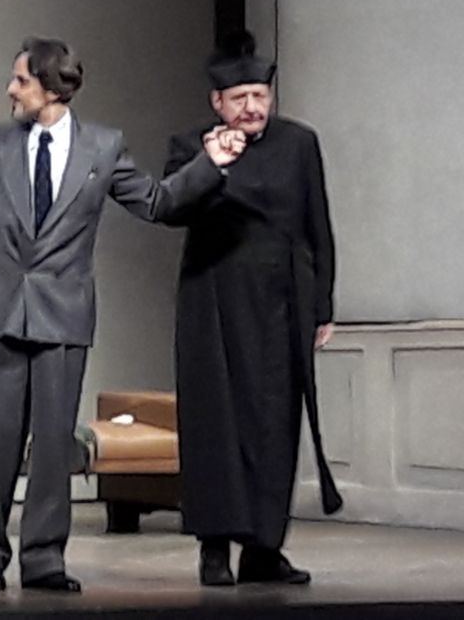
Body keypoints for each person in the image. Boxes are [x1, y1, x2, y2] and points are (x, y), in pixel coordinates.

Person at [0, 37, 245, 594]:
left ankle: (43, 559)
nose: (10, 90)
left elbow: (157, 202)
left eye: (20, 80)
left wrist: (211, 165)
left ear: (51, 87)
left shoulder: (102, 147)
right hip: (3, 315)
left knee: (53, 446)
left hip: (63, 317)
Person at [164, 31, 342, 587]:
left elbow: (318, 224)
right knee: (215, 420)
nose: (252, 107)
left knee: (275, 422)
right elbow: (171, 207)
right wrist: (211, 164)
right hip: (213, 297)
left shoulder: (299, 143)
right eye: (239, 98)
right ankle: (214, 547)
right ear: (217, 102)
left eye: (260, 96)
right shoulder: (190, 146)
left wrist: (323, 304)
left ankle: (264, 549)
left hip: (282, 301)